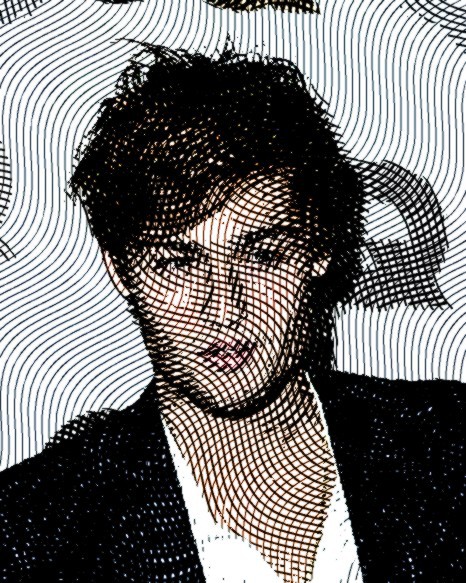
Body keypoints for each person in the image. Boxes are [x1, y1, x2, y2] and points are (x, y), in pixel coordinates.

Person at [0, 45, 463, 582]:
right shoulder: (32, 530)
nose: (222, 305)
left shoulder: (449, 446)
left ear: (319, 250)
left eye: (264, 255)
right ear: (119, 270)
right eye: (177, 262)